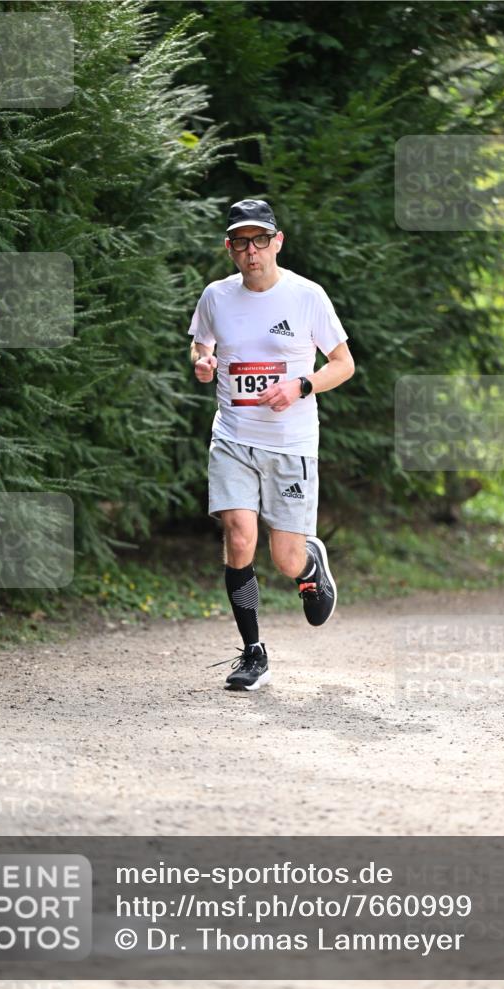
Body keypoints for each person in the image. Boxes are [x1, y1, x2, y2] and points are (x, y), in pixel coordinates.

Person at [188, 198, 355, 692]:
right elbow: (202, 342)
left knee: (284, 558)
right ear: (230, 249)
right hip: (233, 437)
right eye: (241, 242)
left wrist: (301, 385)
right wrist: (203, 360)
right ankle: (253, 652)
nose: (251, 251)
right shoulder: (216, 297)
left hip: (291, 443)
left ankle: (308, 565)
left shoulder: (307, 297)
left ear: (276, 242)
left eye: (260, 240)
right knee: (239, 536)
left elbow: (343, 364)